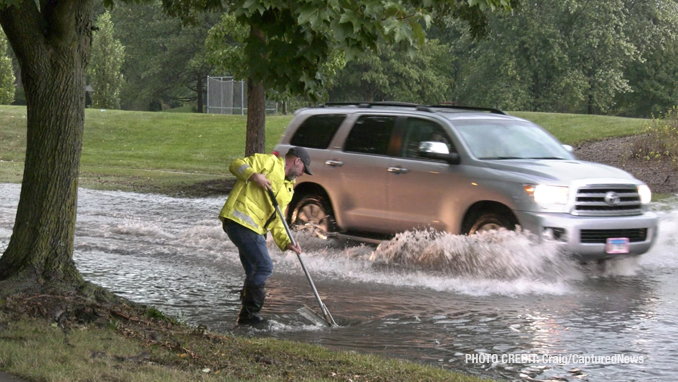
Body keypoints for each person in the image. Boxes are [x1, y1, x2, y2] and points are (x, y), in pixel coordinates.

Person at [219, 147, 312, 325]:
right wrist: (254, 176)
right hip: (239, 221)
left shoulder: (288, 189)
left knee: (254, 271)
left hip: (255, 230)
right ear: (297, 161)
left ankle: (244, 317)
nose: (302, 174)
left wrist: (286, 242)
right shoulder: (268, 162)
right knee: (264, 266)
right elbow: (236, 164)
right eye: (303, 169)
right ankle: (250, 317)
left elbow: (277, 220)